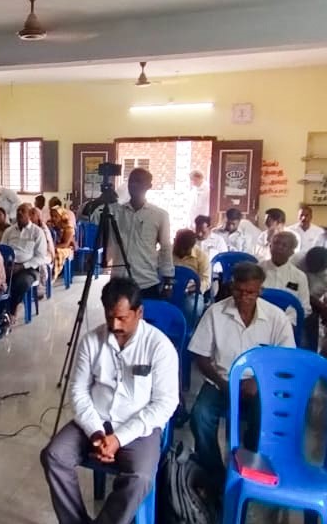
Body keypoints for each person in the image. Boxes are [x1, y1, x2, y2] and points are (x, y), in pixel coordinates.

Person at [41, 278, 179, 524]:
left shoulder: (160, 347)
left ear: (139, 313)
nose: (115, 325)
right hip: (94, 420)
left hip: (138, 428)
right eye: (109, 317)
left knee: (139, 476)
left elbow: (165, 404)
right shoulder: (92, 341)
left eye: (122, 318)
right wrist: (95, 431)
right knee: (54, 455)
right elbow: (78, 391)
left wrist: (118, 439)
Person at [188, 262, 296, 476]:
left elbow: (286, 361)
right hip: (221, 380)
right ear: (231, 287)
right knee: (200, 417)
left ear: (260, 291)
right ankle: (214, 474)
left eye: (250, 292)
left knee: (264, 417)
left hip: (261, 384)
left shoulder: (276, 317)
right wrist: (223, 384)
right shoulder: (215, 313)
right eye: (238, 290)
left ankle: (250, 468)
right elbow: (200, 355)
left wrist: (259, 382)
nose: (244, 296)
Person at [105, 168, 174, 299]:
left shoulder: (159, 215)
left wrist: (168, 280)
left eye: (139, 181)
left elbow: (165, 248)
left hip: (146, 282)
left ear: (149, 186)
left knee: (146, 318)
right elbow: (92, 217)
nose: (134, 185)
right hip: (118, 281)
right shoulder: (115, 212)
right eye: (131, 181)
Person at [0, 203, 49, 327]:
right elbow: (2, 250)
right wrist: (6, 265)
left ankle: (11, 312)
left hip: (28, 268)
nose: (20, 213)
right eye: (18, 211)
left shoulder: (37, 232)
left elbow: (41, 257)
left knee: (21, 283)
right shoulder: (9, 231)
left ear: (30, 214)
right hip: (9, 266)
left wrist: (21, 266)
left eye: (23, 211)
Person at [295, 246, 327, 355]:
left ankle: (310, 355)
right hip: (293, 297)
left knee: (311, 327)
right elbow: (290, 287)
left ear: (326, 266)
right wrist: (321, 306)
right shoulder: (296, 260)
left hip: (313, 305)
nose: (309, 270)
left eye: (314, 270)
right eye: (308, 266)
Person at [258, 231, 311, 329]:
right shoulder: (257, 270)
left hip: (287, 325)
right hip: (258, 320)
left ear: (292, 252)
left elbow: (305, 307)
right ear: (270, 246)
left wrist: (286, 323)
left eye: (284, 245)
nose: (279, 248)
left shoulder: (299, 276)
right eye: (276, 243)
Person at [171, 229, 210, 298]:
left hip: (190, 292)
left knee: (191, 305)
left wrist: (193, 289)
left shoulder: (202, 256)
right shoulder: (166, 252)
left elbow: (206, 281)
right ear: (174, 241)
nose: (182, 251)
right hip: (170, 287)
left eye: (185, 249)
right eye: (179, 247)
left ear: (192, 246)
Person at [52, 209, 75, 283]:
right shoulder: (52, 224)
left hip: (67, 248)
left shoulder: (69, 227)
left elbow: (66, 244)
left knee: (57, 253)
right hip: (55, 246)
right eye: (52, 216)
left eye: (56, 216)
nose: (53, 218)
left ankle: (53, 275)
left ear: (61, 216)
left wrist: (53, 247)